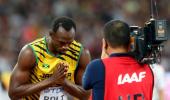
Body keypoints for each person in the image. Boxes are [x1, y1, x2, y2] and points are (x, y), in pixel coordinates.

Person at [8, 16, 91, 100]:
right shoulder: (31, 53)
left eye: (69, 43)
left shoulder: (81, 53)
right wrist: (51, 80)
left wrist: (64, 82)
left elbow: (85, 95)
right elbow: (13, 93)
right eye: (61, 42)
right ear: (51, 34)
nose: (65, 47)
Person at [82, 20, 154, 100]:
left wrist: (103, 63)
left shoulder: (96, 67)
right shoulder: (147, 68)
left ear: (105, 43)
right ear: (131, 41)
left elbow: (85, 85)